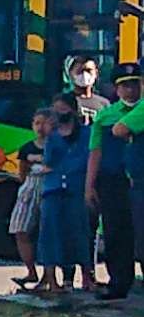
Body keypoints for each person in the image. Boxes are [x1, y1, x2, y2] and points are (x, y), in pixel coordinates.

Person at [94, 62, 144, 301]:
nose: (130, 91)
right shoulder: (106, 115)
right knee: (116, 232)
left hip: (137, 181)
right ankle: (119, 283)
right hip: (114, 181)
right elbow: (96, 151)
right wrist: (89, 186)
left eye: (135, 85)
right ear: (116, 89)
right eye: (125, 86)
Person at [38, 93, 91, 296]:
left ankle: (87, 276)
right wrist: (50, 133)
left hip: (76, 188)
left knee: (80, 232)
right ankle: (52, 281)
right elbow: (48, 162)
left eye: (63, 109)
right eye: (56, 110)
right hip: (53, 190)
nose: (60, 114)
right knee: (50, 233)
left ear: (73, 110)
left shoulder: (86, 133)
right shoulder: (53, 137)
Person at [12, 112, 49, 290]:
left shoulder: (57, 146)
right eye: (36, 123)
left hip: (50, 188)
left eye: (44, 123)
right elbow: (22, 173)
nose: (40, 128)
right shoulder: (26, 148)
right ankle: (30, 271)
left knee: (47, 233)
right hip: (29, 187)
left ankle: (48, 277)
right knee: (20, 229)